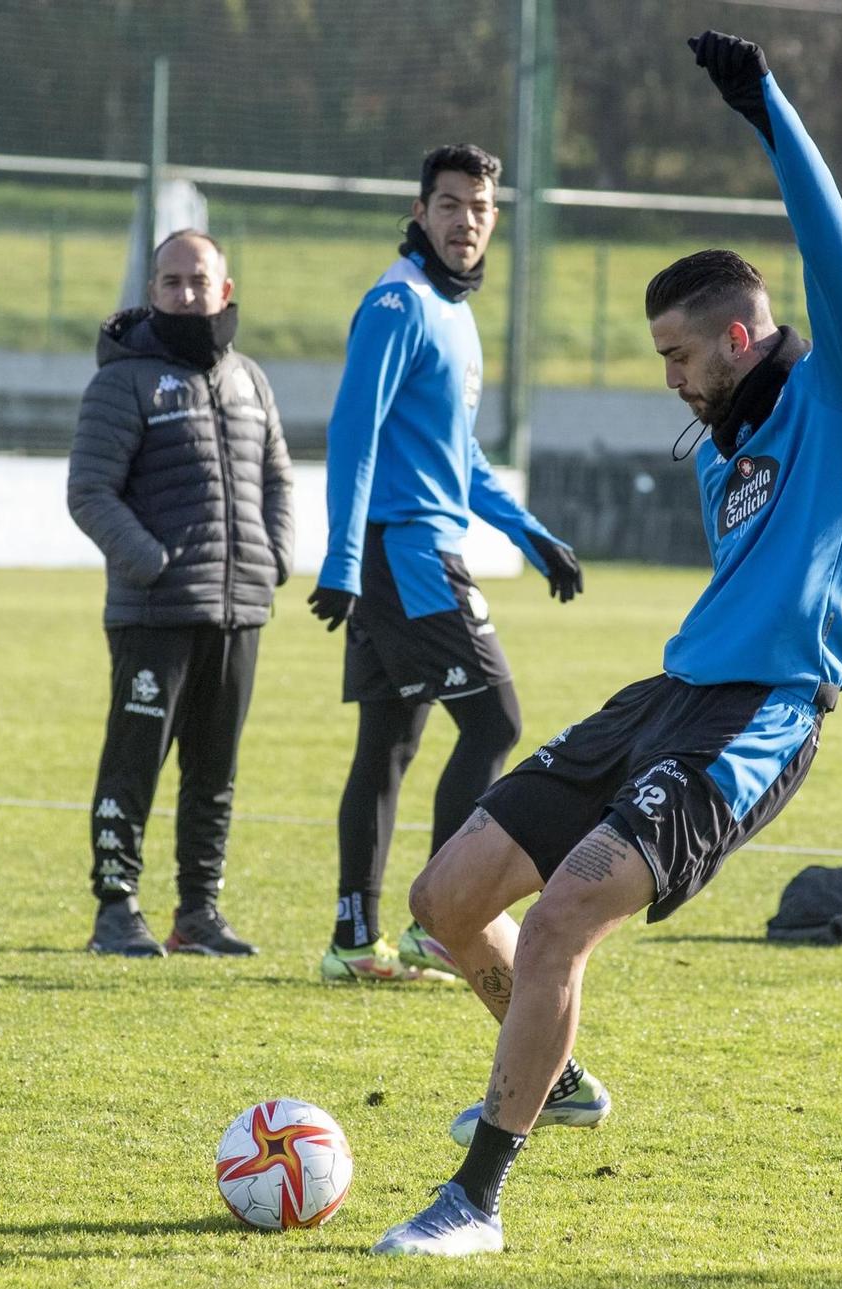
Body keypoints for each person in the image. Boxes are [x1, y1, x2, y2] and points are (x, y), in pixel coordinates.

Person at [370, 31, 842, 1256]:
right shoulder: (726, 449)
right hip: (663, 695)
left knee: (562, 917)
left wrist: (765, 107)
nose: (668, 379)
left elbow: (830, 245)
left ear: (735, 337)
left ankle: (475, 1202)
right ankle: (549, 1076)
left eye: (677, 355)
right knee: (446, 901)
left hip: (759, 716)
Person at [308, 143, 585, 984]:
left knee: (389, 744)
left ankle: (355, 940)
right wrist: (342, 562)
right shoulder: (397, 304)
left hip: (414, 551)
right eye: (451, 204)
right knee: (495, 721)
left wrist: (531, 532)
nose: (468, 221)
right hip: (409, 557)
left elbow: (457, 457)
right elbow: (352, 436)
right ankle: (448, 921)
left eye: (482, 208)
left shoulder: (451, 313)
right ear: (421, 211)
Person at [67, 229, 293, 958]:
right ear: (152, 292)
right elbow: (89, 492)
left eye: (199, 280)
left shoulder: (250, 380)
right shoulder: (123, 381)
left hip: (239, 609)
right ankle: (116, 908)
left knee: (214, 771)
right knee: (132, 766)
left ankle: (198, 911)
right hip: (154, 609)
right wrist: (151, 562)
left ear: (225, 291)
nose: (186, 293)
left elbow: (278, 480)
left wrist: (275, 557)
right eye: (171, 281)